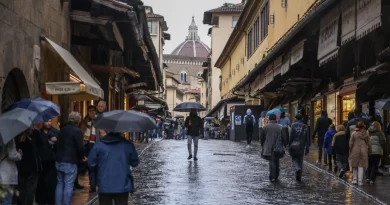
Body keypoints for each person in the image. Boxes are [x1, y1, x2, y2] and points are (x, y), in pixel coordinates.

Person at [88, 131, 139, 205]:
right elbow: (135, 162)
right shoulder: (127, 145)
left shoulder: (98, 145)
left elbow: (91, 164)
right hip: (122, 184)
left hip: (104, 184)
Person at [56, 112, 87, 205]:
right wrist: (83, 157)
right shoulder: (77, 131)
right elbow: (80, 147)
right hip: (70, 161)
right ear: (78, 121)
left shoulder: (62, 130)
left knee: (60, 184)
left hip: (59, 160)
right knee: (69, 185)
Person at [16, 128, 42, 205]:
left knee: (22, 189)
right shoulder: (35, 133)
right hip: (33, 167)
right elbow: (40, 144)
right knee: (31, 190)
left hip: (21, 166)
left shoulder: (17, 135)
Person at [35, 119, 59, 205]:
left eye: (50, 121)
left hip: (52, 160)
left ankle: (50, 200)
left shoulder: (55, 131)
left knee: (51, 182)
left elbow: (59, 147)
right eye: (46, 121)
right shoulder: (38, 132)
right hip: (42, 160)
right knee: (41, 181)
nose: (48, 123)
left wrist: (56, 142)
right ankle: (41, 200)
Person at [261, 114, 285, 182]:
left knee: (271, 161)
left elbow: (262, 138)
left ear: (269, 119)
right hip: (278, 147)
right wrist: (284, 144)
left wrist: (262, 145)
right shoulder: (280, 127)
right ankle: (276, 174)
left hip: (269, 147)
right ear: (275, 119)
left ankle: (272, 176)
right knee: (277, 160)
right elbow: (284, 137)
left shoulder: (265, 127)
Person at [0, 139, 22, 205]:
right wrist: (19, 154)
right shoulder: (9, 138)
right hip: (6, 173)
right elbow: (12, 154)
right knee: (6, 200)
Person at [288, 114, 310, 182]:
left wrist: (289, 144)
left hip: (294, 144)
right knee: (300, 160)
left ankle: (297, 168)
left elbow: (291, 135)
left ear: (295, 118)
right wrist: (307, 147)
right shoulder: (304, 126)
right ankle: (299, 177)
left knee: (294, 159)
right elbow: (307, 137)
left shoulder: (293, 125)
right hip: (302, 145)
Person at [82, 105, 98, 193]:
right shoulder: (85, 120)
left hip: (96, 144)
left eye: (93, 111)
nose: (91, 112)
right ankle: (92, 185)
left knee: (97, 165)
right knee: (90, 165)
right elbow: (82, 131)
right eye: (90, 111)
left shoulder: (98, 120)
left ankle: (97, 182)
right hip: (88, 144)